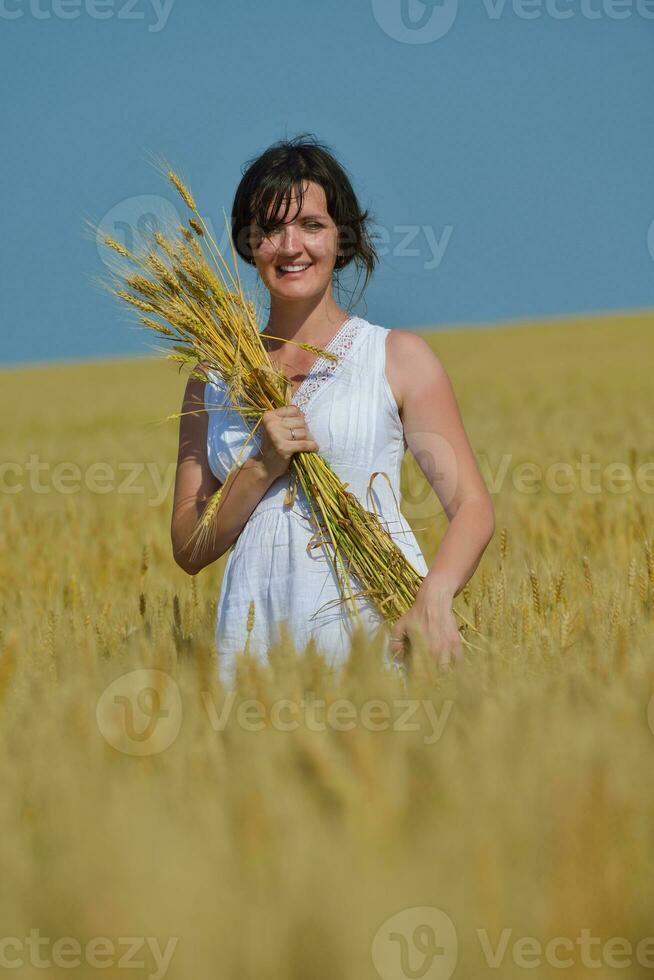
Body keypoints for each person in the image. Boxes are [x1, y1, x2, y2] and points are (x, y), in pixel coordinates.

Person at [171, 134, 495, 688]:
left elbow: (472, 506)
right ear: (249, 244)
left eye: (312, 226)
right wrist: (261, 466)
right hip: (252, 646)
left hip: (371, 633)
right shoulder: (214, 378)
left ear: (341, 238)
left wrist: (432, 600)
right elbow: (189, 547)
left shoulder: (395, 357)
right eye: (270, 229)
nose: (291, 246)